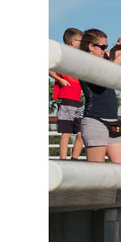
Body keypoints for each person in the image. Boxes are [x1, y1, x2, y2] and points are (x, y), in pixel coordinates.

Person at [78, 29, 121, 163]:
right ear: (90, 46)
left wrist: (119, 47)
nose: (104, 50)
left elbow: (112, 54)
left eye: (106, 46)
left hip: (113, 121)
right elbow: (101, 83)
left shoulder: (103, 59)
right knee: (96, 174)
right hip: (95, 121)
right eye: (102, 47)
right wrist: (116, 63)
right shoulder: (84, 63)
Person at [50, 27, 84, 160]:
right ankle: (63, 161)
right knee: (66, 133)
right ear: (72, 41)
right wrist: (60, 80)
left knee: (81, 134)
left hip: (77, 99)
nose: (82, 43)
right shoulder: (62, 55)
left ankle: (74, 160)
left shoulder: (78, 58)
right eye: (80, 41)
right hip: (65, 98)